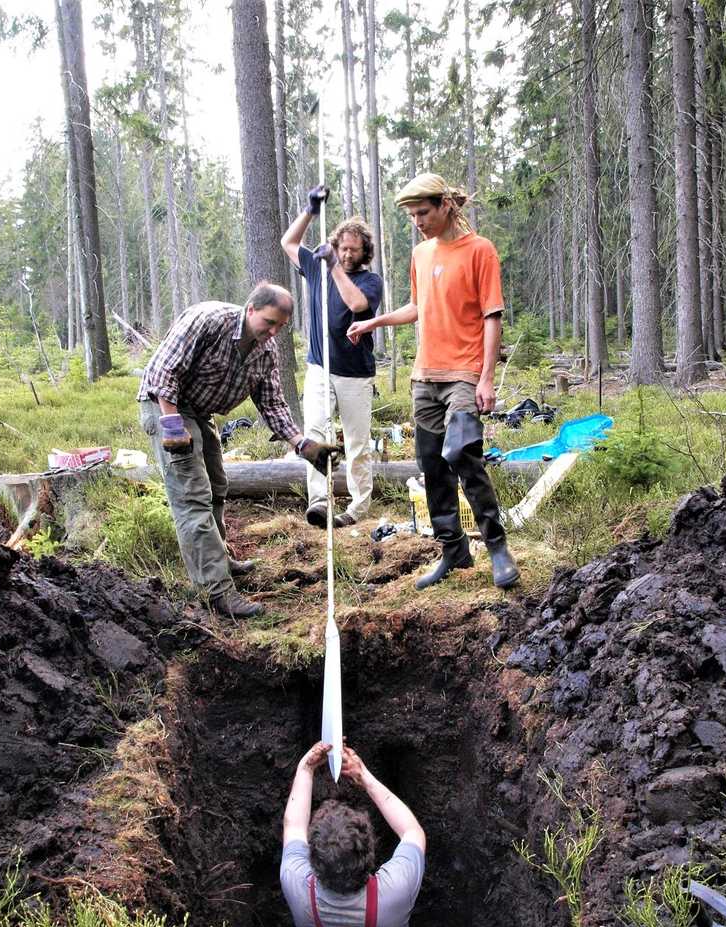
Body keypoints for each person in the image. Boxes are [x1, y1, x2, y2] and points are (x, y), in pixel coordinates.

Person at [348, 173, 519, 591]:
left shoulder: (480, 250)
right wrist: (374, 321)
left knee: (461, 451)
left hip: (464, 372)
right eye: (412, 216)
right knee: (431, 464)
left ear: (445, 205)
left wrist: (486, 378)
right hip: (425, 375)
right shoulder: (421, 254)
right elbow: (417, 306)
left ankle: (496, 545)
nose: (418, 222)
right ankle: (453, 550)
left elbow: (492, 315)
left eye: (423, 213)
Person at [137, 282, 339, 619]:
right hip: (164, 406)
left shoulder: (266, 351)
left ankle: (220, 560)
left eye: (280, 327)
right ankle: (216, 591)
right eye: (269, 322)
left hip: (200, 412)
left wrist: (304, 446)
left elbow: (272, 405)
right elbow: (163, 372)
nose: (272, 332)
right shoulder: (208, 320)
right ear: (251, 309)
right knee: (192, 498)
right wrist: (172, 427)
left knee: (217, 487)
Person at [280, 742, 425, 927]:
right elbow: (412, 832)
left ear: (314, 859)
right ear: (370, 852)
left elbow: (293, 826)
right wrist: (364, 777)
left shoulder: (297, 887)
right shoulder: (394, 892)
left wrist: (306, 769)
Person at [281, 185, 383, 529]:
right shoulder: (316, 266)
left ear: (363, 252)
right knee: (315, 432)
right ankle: (320, 501)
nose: (348, 253)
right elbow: (289, 243)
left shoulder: (370, 281)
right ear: (335, 244)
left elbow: (356, 305)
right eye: (343, 247)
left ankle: (357, 508)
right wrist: (310, 210)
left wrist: (335, 266)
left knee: (356, 443)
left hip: (355, 374)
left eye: (355, 249)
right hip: (319, 367)